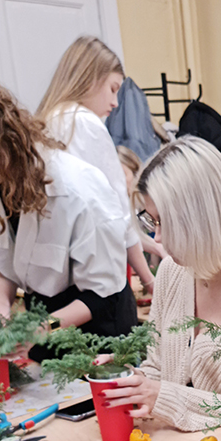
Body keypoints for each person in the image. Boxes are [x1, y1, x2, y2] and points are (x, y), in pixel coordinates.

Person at [0, 61, 136, 346]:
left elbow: (103, 297)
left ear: (3, 138)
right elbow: (0, 262)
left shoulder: (76, 189)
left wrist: (41, 329)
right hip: (42, 319)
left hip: (100, 325)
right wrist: (1, 304)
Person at [98, 135, 221, 432]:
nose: (158, 238)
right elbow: (157, 368)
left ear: (202, 218)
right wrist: (133, 381)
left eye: (165, 222)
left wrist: (164, 397)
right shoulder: (171, 271)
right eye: (152, 221)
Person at [37, 36, 157, 296]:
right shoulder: (84, 122)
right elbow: (119, 212)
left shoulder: (48, 121)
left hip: (56, 278)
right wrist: (148, 278)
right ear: (90, 79)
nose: (115, 103)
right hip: (96, 279)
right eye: (113, 89)